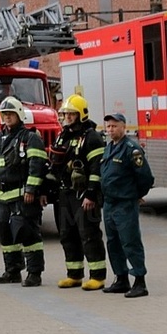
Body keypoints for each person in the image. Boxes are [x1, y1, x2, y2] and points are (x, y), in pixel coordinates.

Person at [0, 97, 48, 287]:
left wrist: (31, 189)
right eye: (4, 114)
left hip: (22, 195)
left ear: (19, 115)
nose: (7, 117)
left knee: (28, 234)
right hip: (2, 196)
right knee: (6, 236)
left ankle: (34, 273)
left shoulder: (30, 138)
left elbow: (37, 166)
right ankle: (12, 271)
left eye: (10, 114)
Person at [47, 93, 107, 291]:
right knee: (67, 234)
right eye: (65, 114)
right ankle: (74, 274)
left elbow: (97, 169)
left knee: (89, 234)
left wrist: (91, 194)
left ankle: (97, 276)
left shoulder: (92, 137)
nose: (68, 117)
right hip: (65, 193)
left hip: (84, 195)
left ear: (82, 114)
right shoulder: (63, 135)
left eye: (72, 114)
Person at [101, 112, 154, 299]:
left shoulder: (132, 149)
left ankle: (140, 282)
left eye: (114, 126)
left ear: (123, 127)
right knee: (113, 243)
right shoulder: (109, 148)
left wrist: (137, 195)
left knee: (130, 242)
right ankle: (121, 278)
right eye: (108, 126)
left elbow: (145, 177)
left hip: (124, 204)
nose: (110, 130)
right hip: (109, 204)